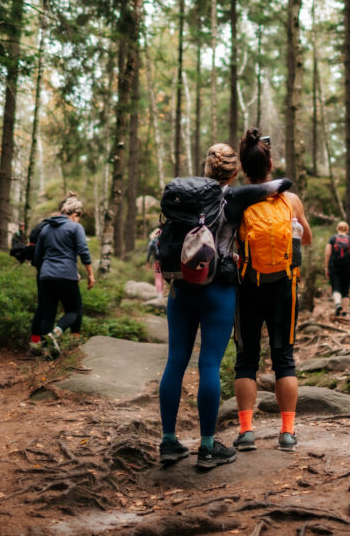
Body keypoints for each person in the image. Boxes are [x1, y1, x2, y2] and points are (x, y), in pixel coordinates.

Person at [157, 143, 292, 470]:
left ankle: (169, 442)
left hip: (180, 287)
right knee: (209, 365)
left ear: (206, 168)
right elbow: (282, 184)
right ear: (234, 172)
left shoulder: (184, 194)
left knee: (175, 361)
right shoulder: (234, 196)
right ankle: (206, 448)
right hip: (218, 288)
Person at [233, 129, 313, 453]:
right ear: (271, 164)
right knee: (284, 359)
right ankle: (288, 432)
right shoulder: (290, 199)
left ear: (243, 167)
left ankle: (247, 431)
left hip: (247, 287)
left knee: (246, 360)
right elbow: (306, 239)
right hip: (284, 286)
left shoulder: (239, 200)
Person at [30, 193, 95, 356]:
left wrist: (45, 272)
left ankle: (47, 353)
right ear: (75, 214)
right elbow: (84, 252)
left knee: (47, 315)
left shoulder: (46, 228)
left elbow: (37, 256)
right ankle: (56, 333)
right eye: (78, 217)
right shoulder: (75, 227)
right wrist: (91, 275)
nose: (78, 220)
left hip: (46, 276)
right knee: (74, 310)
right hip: (67, 275)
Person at [324, 221, 350, 317]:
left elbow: (328, 254)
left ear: (337, 228)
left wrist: (326, 267)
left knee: (336, 287)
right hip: (347, 267)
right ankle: (344, 311)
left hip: (334, 266)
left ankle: (337, 304)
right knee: (345, 289)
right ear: (347, 229)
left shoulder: (332, 239)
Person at [146, 227, 164, 298]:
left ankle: (160, 294)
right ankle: (162, 291)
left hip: (156, 263)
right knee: (162, 277)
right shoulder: (163, 241)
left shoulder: (152, 242)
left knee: (157, 277)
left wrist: (147, 262)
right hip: (163, 263)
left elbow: (148, 254)